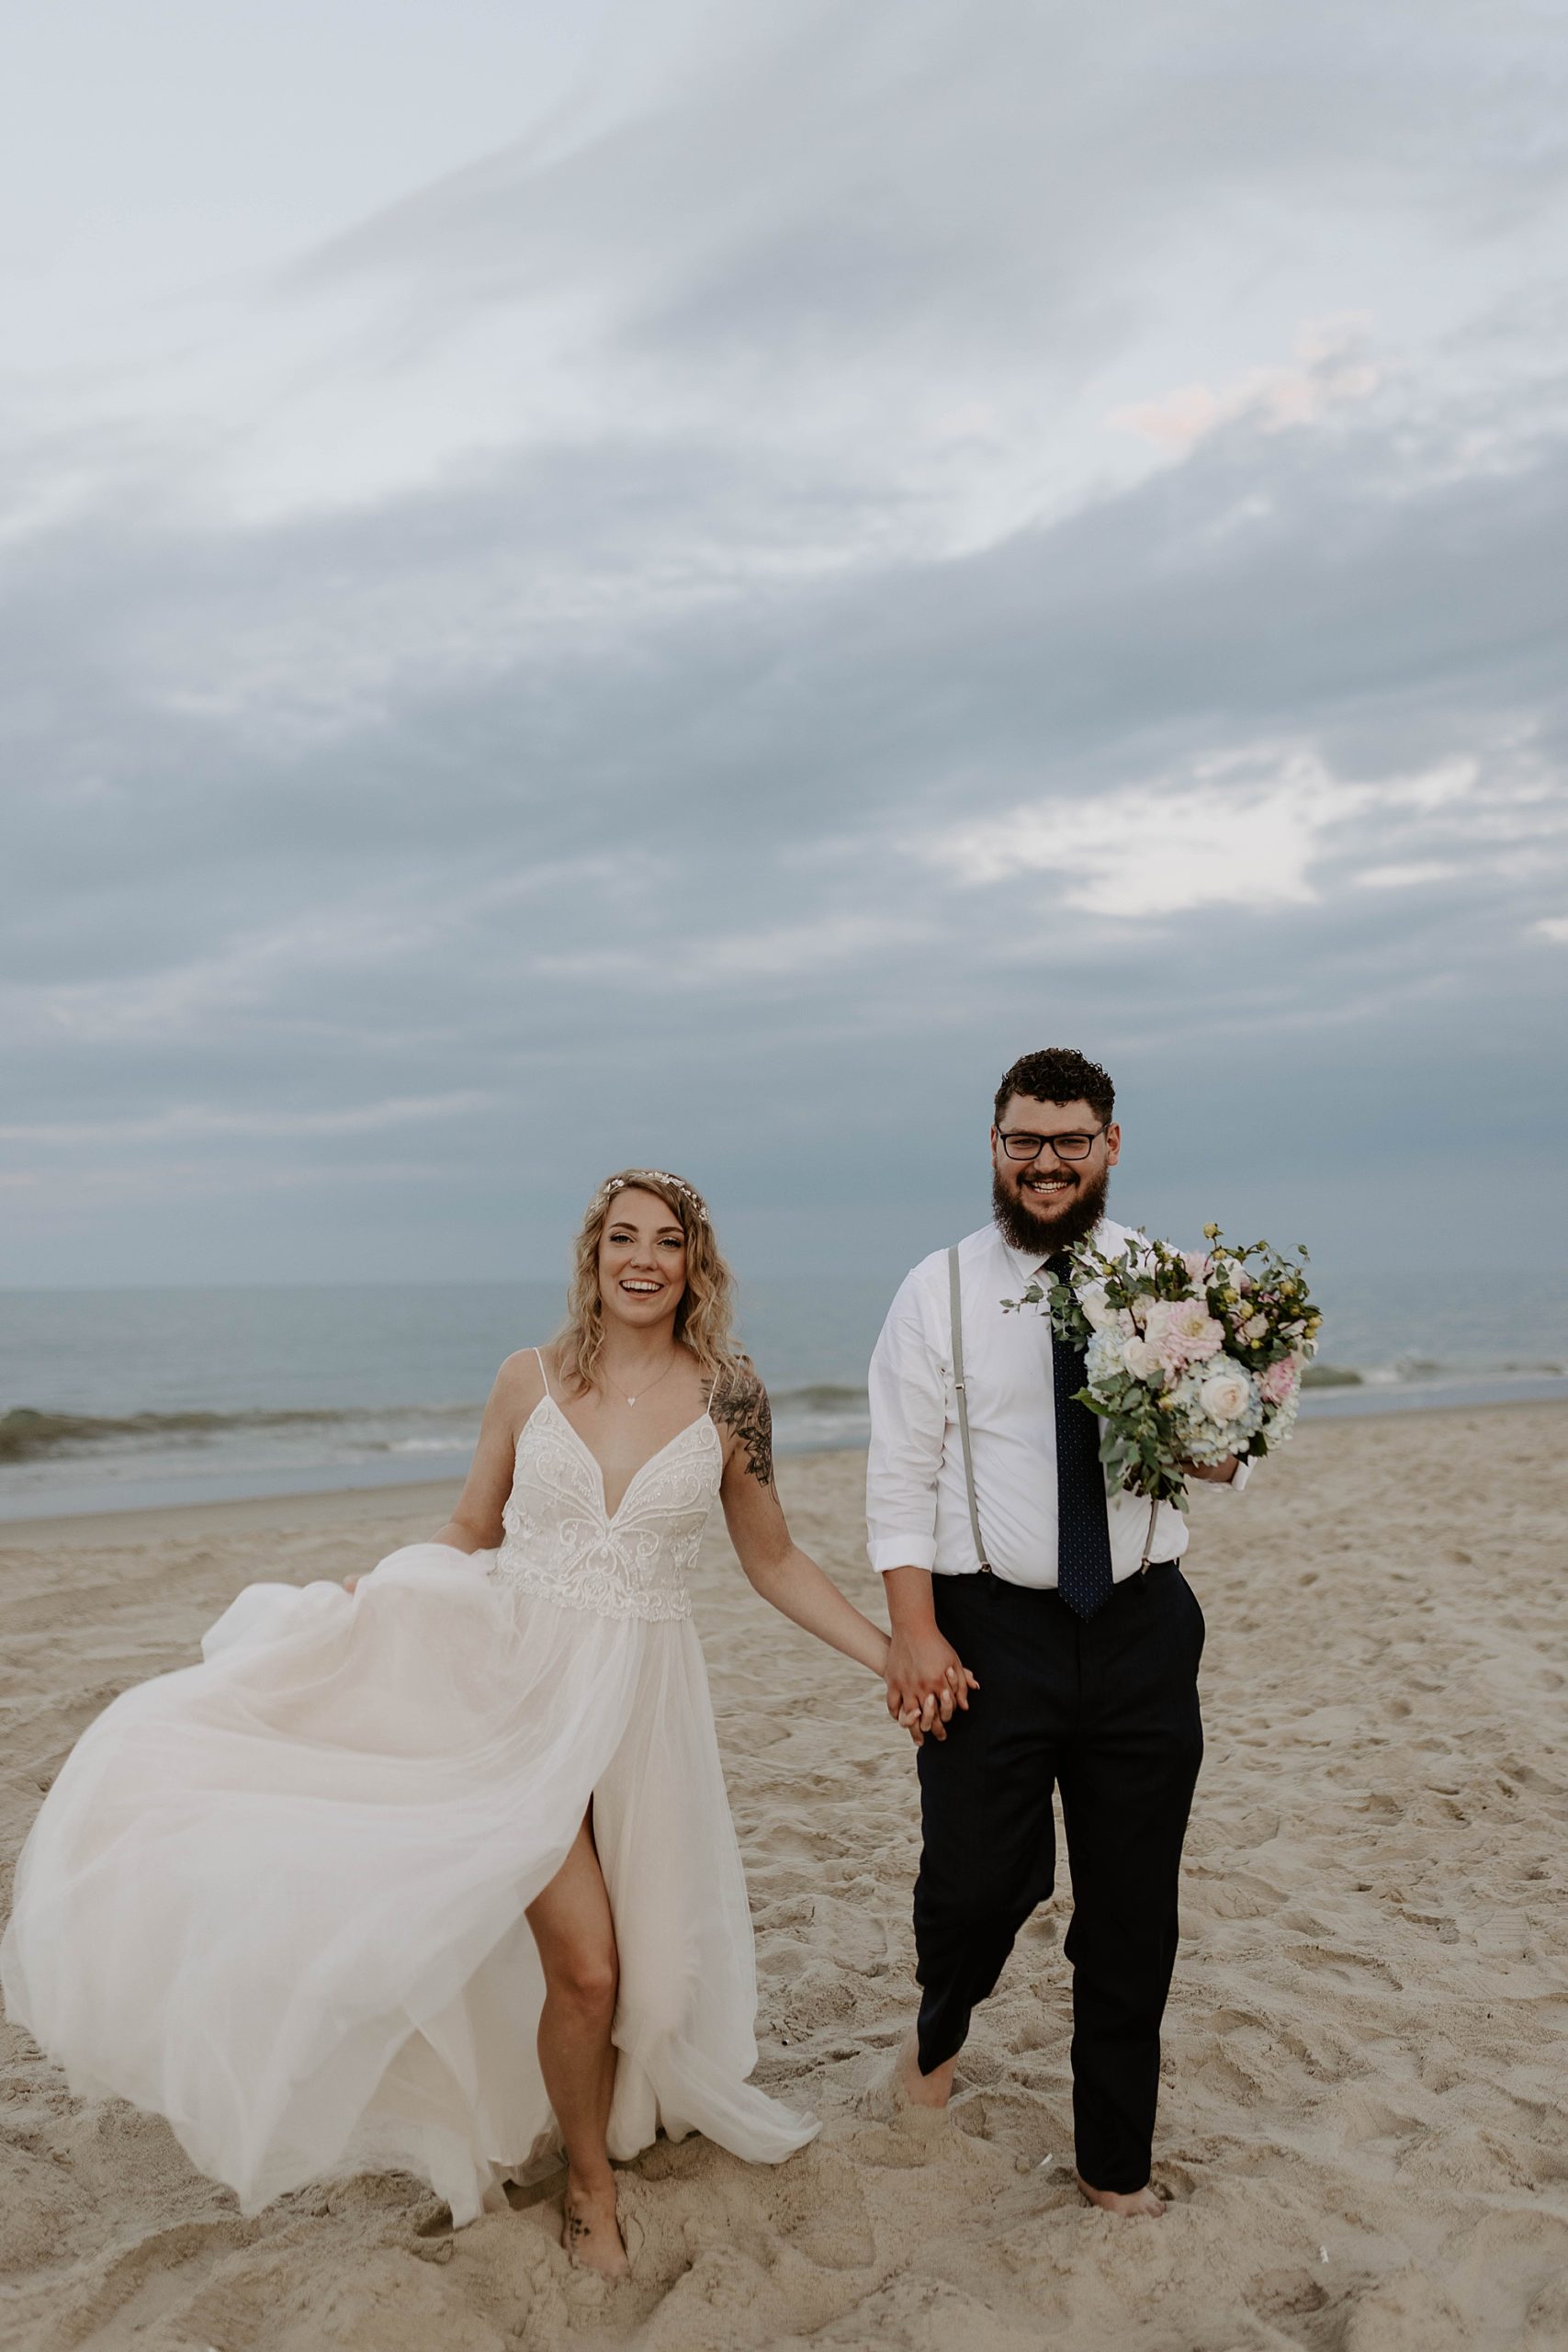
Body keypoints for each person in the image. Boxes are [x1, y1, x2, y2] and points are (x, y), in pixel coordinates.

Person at [2, 1170, 894, 2278]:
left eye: (667, 1242)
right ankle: (588, 2183)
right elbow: (473, 1525)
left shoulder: (731, 1397)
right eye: (624, 1237)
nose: (644, 1259)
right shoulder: (530, 1379)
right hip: (509, 1693)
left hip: (644, 1712)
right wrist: (376, 1596)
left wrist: (889, 1654)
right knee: (590, 1973)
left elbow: (774, 1560)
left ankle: (607, 2119)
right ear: (594, 1251)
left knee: (659, 1990)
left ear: (695, 1262)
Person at [869, 1048, 1247, 2217]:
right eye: (1022, 1141)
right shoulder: (935, 1290)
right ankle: (938, 2037)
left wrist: (1219, 1429)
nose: (1044, 1164)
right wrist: (915, 1635)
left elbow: (1216, 1456)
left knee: (1134, 1912)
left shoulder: (1170, 1282)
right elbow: (899, 1477)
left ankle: (1113, 2169)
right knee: (981, 1884)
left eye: (1068, 1141)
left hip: (1143, 1628)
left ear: (1111, 1145)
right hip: (991, 1630)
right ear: (995, 1146)